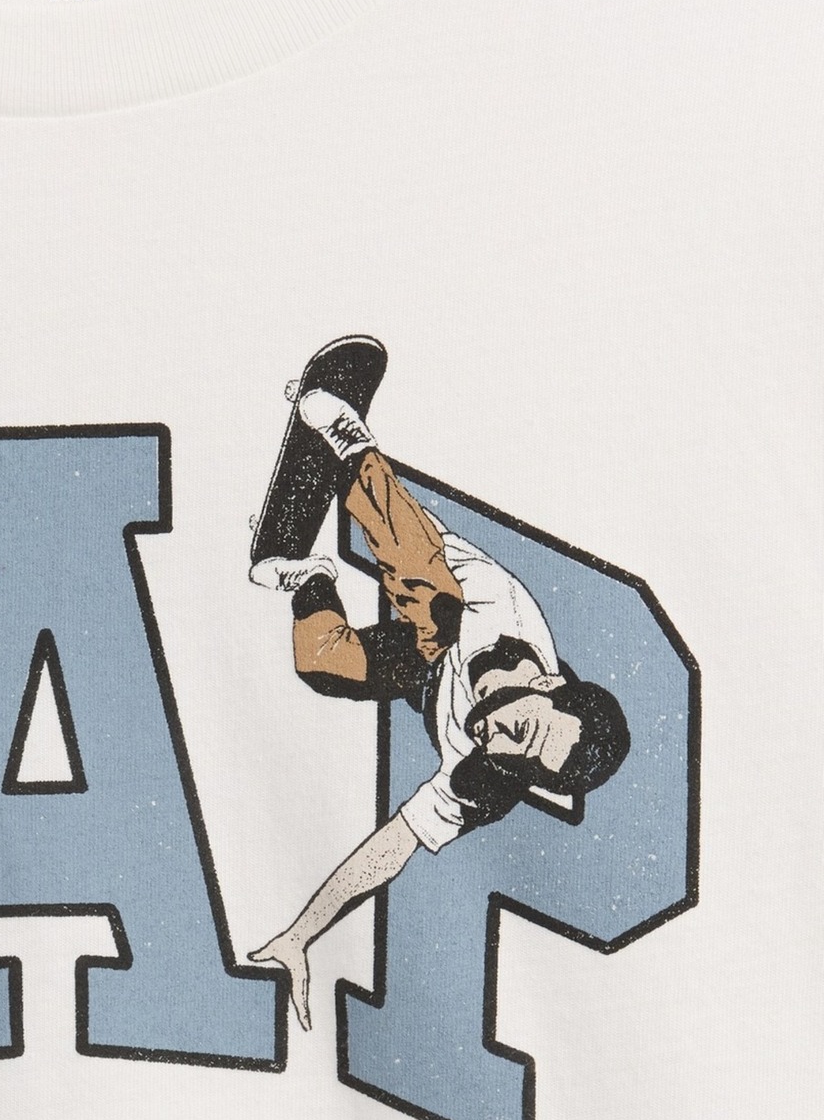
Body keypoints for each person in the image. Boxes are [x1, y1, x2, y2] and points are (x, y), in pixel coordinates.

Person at [248, 374, 629, 1028]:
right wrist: (357, 466)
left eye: (519, 759)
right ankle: (352, 443)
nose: (497, 741)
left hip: (421, 677)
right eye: (523, 729)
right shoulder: (498, 608)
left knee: (321, 662)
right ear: (544, 685)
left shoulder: (487, 781)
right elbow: (409, 545)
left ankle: (310, 579)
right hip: (437, 602)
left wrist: (300, 935)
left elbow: (386, 852)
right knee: (434, 602)